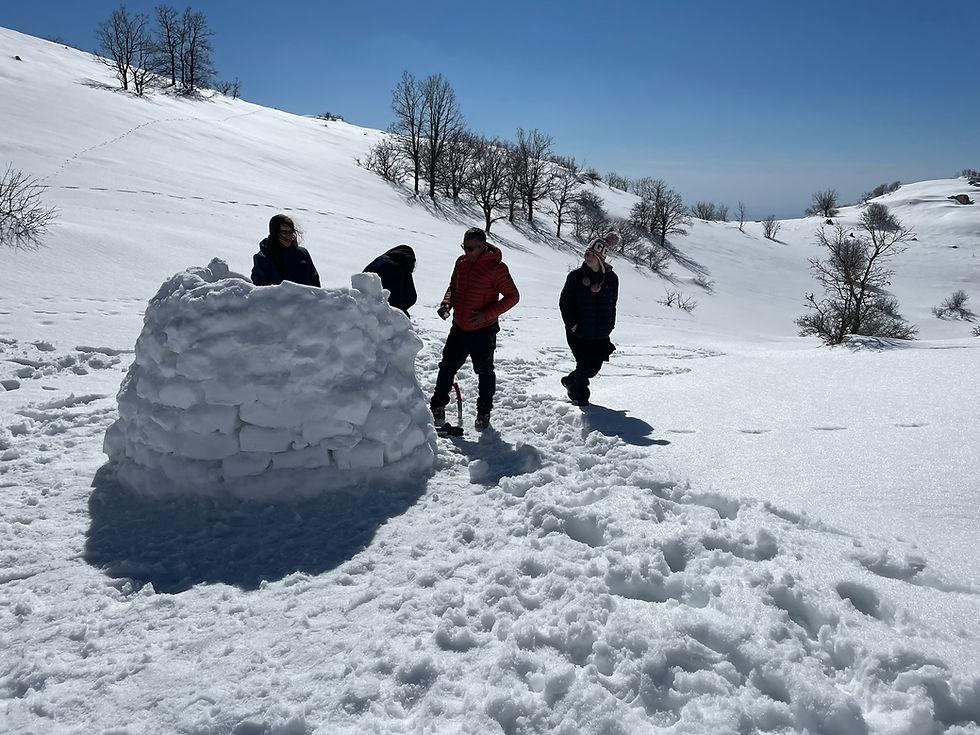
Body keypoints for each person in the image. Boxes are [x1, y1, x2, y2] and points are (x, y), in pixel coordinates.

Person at [430, 227, 520, 431]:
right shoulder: (461, 262)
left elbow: (513, 296)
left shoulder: (497, 268)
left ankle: (484, 411)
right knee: (447, 366)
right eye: (464, 247)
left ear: (482, 246)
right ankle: (437, 406)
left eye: (470, 248)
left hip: (483, 330)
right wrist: (447, 304)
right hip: (459, 326)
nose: (466, 252)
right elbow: (453, 286)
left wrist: (486, 315)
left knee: (484, 370)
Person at [559, 231, 621, 407]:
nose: (588, 257)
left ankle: (570, 381)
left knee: (593, 368)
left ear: (601, 258)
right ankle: (581, 397)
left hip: (601, 332)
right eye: (587, 253)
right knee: (584, 364)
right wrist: (572, 324)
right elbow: (565, 302)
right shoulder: (575, 277)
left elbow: (613, 303)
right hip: (578, 331)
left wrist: (610, 325)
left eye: (592, 255)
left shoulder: (612, 279)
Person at [250, 214, 321, 287]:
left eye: (291, 231)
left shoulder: (302, 253)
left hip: (305, 298)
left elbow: (315, 282)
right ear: (275, 233)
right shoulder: (264, 257)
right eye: (284, 232)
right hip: (280, 298)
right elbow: (260, 290)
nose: (288, 236)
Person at [363, 244, 418, 316]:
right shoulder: (397, 267)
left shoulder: (379, 261)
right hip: (382, 316)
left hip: (361, 308)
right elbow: (403, 299)